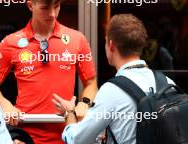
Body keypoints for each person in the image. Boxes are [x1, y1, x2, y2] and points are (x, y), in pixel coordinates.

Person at [0, 0, 98, 144]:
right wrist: (5, 104)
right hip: (25, 136)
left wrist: (84, 103)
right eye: (45, 8)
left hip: (66, 135)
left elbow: (91, 83)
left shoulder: (77, 39)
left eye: (57, 6)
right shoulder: (12, 42)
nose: (53, 14)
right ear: (30, 6)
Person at [52, 14, 175, 144]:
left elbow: (77, 139)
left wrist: (69, 113)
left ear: (111, 45)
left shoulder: (111, 91)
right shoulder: (167, 83)